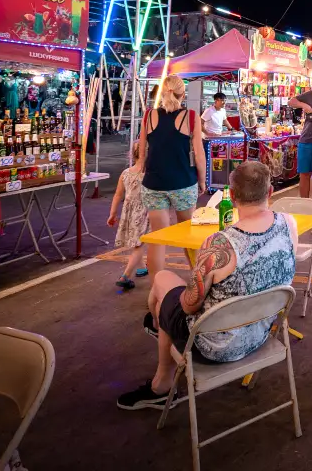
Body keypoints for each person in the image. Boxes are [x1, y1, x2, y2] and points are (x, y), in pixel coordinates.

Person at [118, 162, 297, 410]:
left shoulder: (219, 244)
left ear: (232, 196)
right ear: (269, 192)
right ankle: (160, 326)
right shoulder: (289, 225)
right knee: (168, 293)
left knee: (162, 284)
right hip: (262, 331)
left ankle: (161, 380)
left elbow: (191, 307)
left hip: (215, 347)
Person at [137, 74, 205, 277]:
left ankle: (157, 289)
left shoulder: (148, 116)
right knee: (188, 236)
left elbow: (141, 152)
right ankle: (198, 282)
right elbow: (199, 155)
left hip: (154, 183)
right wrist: (202, 180)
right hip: (183, 181)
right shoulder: (191, 117)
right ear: (183, 94)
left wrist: (141, 165)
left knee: (158, 239)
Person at [107, 143, 149, 290]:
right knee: (139, 243)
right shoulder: (150, 173)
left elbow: (118, 194)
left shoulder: (125, 173)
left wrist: (112, 213)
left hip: (129, 211)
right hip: (145, 211)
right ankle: (125, 276)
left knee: (136, 240)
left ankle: (142, 267)